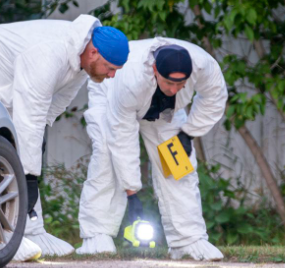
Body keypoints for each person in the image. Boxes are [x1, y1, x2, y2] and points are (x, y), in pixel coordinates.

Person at [0, 15, 129, 261]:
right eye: (111, 68)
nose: (112, 75)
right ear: (94, 52)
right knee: (3, 155)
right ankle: (5, 236)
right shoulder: (49, 54)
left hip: (8, 91)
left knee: (25, 150)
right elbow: (29, 119)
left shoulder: (80, 64)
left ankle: (33, 230)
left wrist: (33, 155)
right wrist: (28, 176)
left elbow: (52, 107)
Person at [77, 38, 227, 261]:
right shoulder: (130, 78)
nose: (174, 89)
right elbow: (122, 136)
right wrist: (132, 193)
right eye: (169, 83)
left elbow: (215, 98)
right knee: (107, 156)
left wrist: (189, 132)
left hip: (167, 113)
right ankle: (96, 236)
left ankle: (187, 240)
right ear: (155, 69)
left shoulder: (204, 66)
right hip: (111, 96)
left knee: (179, 169)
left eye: (181, 85)